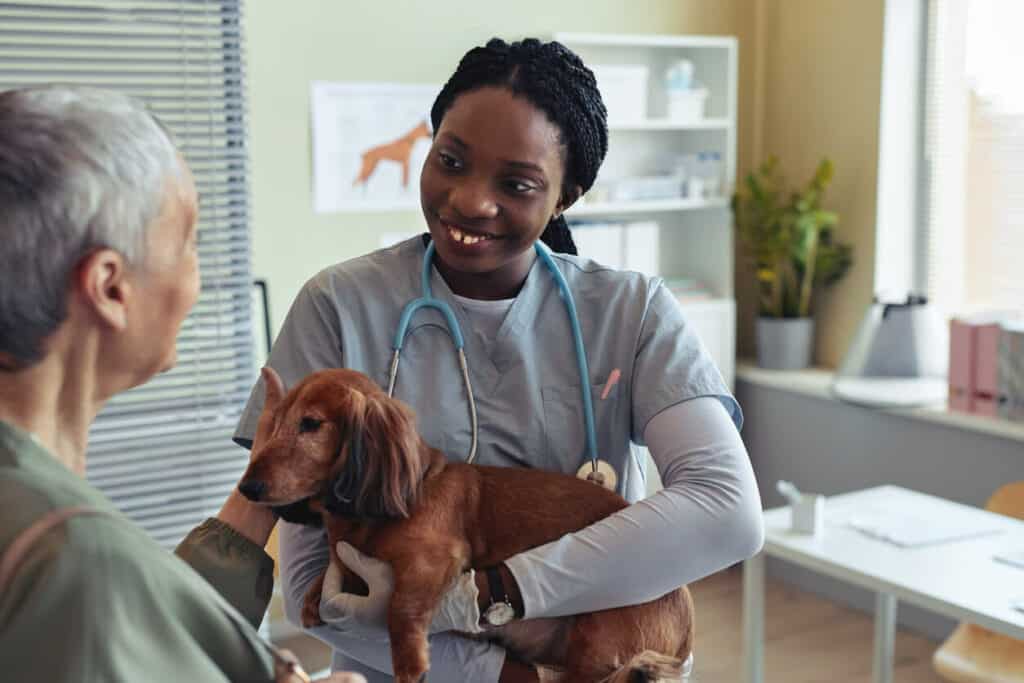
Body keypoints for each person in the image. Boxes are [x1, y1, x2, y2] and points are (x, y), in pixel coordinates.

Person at [235, 38, 764, 683]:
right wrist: (516, 676)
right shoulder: (338, 306)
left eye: (516, 184)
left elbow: (727, 512)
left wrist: (492, 593)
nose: (469, 201)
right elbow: (316, 592)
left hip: (600, 659)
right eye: (450, 160)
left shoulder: (631, 310)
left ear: (567, 195)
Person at [0, 85, 364, 683]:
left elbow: (141, 621)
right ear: (110, 286)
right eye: (189, 241)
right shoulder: (69, 554)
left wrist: (264, 484)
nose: (198, 279)